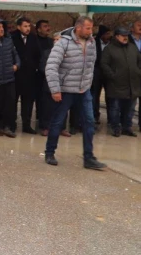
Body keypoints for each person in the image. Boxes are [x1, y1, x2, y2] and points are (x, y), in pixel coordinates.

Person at [44, 16, 106, 169]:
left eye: (91, 28)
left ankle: (89, 158)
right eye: (88, 28)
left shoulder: (91, 43)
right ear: (78, 28)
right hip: (65, 90)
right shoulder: (63, 43)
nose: (91, 31)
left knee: (89, 122)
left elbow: (91, 65)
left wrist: (88, 84)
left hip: (84, 90)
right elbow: (51, 67)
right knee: (58, 122)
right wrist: (55, 89)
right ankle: (50, 152)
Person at [101, 27, 141, 137]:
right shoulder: (109, 49)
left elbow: (139, 60)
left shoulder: (132, 47)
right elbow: (104, 64)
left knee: (130, 108)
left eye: (126, 36)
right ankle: (115, 128)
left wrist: (138, 72)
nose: (125, 38)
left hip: (132, 84)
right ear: (116, 36)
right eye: (123, 36)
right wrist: (113, 75)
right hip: (116, 84)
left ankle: (127, 127)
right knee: (115, 108)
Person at [11, 17, 41, 134]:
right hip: (15, 75)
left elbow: (38, 54)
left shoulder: (33, 38)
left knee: (28, 102)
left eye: (29, 26)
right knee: (12, 101)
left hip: (29, 75)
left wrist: (34, 66)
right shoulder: (12, 37)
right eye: (25, 26)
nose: (28, 28)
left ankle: (26, 125)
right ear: (19, 27)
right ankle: (11, 124)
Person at [93, 25, 112, 124]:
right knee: (95, 95)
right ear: (102, 35)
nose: (109, 36)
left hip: (109, 73)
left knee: (110, 96)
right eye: (107, 34)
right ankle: (95, 116)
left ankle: (111, 118)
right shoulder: (94, 43)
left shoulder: (112, 43)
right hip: (97, 73)